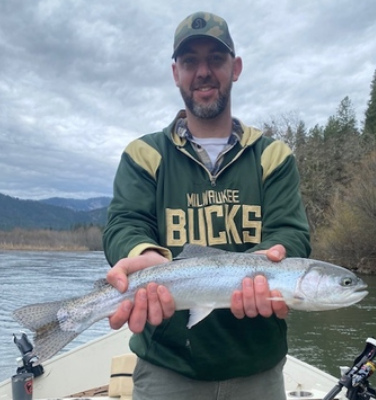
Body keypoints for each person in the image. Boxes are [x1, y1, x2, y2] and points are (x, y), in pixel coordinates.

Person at [103, 11, 310, 400]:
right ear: (175, 72)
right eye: (189, 61)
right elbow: (124, 223)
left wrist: (278, 256)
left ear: (236, 68)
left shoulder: (273, 155)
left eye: (215, 59)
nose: (203, 71)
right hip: (167, 365)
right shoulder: (144, 154)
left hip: (258, 368)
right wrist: (144, 252)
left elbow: (291, 232)